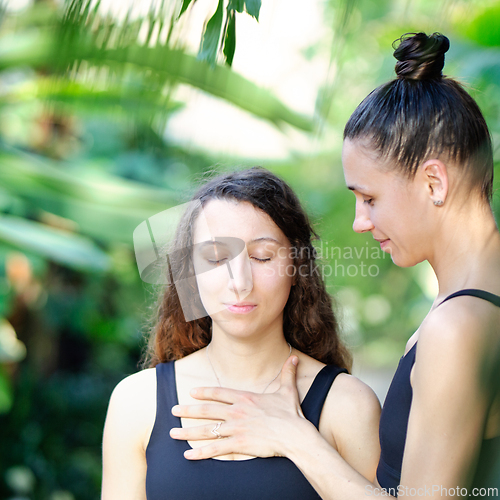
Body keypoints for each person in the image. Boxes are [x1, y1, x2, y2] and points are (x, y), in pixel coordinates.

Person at [169, 33, 500, 498]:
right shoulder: (474, 308)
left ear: (433, 181)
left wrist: (294, 435)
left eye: (369, 198)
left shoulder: (459, 324)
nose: (361, 222)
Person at [100, 167, 381, 499]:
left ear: (296, 268)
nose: (240, 282)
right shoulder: (136, 402)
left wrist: (296, 438)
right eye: (216, 257)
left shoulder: (347, 405)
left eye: (262, 257)